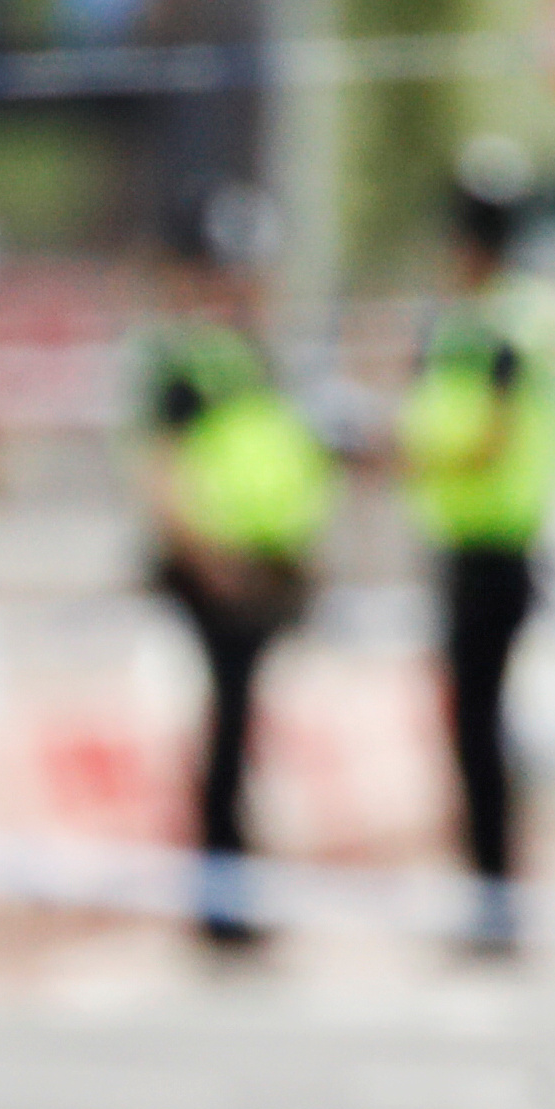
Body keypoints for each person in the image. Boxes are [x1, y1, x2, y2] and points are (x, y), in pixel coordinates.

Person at [134, 191, 334, 950]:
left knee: (243, 734)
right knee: (223, 736)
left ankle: (237, 889)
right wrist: (208, 555)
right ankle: (221, 902)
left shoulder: (264, 359)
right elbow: (164, 471)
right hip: (216, 574)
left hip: (263, 567)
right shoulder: (191, 363)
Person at [398, 139, 555, 957]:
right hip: (499, 543)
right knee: (485, 727)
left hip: (489, 547)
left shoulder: (497, 326)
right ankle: (492, 892)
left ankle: (492, 899)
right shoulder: (524, 317)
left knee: (479, 731)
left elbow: (485, 438)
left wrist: (405, 450)